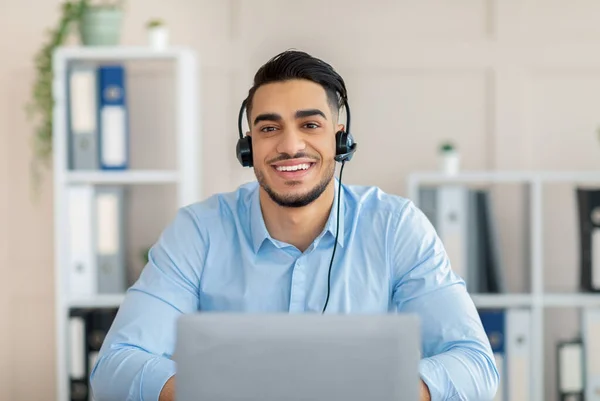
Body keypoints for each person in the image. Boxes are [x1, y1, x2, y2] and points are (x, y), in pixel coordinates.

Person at [89, 49, 499, 401]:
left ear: (340, 140)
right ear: (248, 145)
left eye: (310, 125)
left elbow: (476, 364)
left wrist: (382, 389)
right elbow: (115, 365)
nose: (289, 145)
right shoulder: (199, 230)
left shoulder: (395, 226)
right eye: (269, 128)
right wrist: (224, 392)